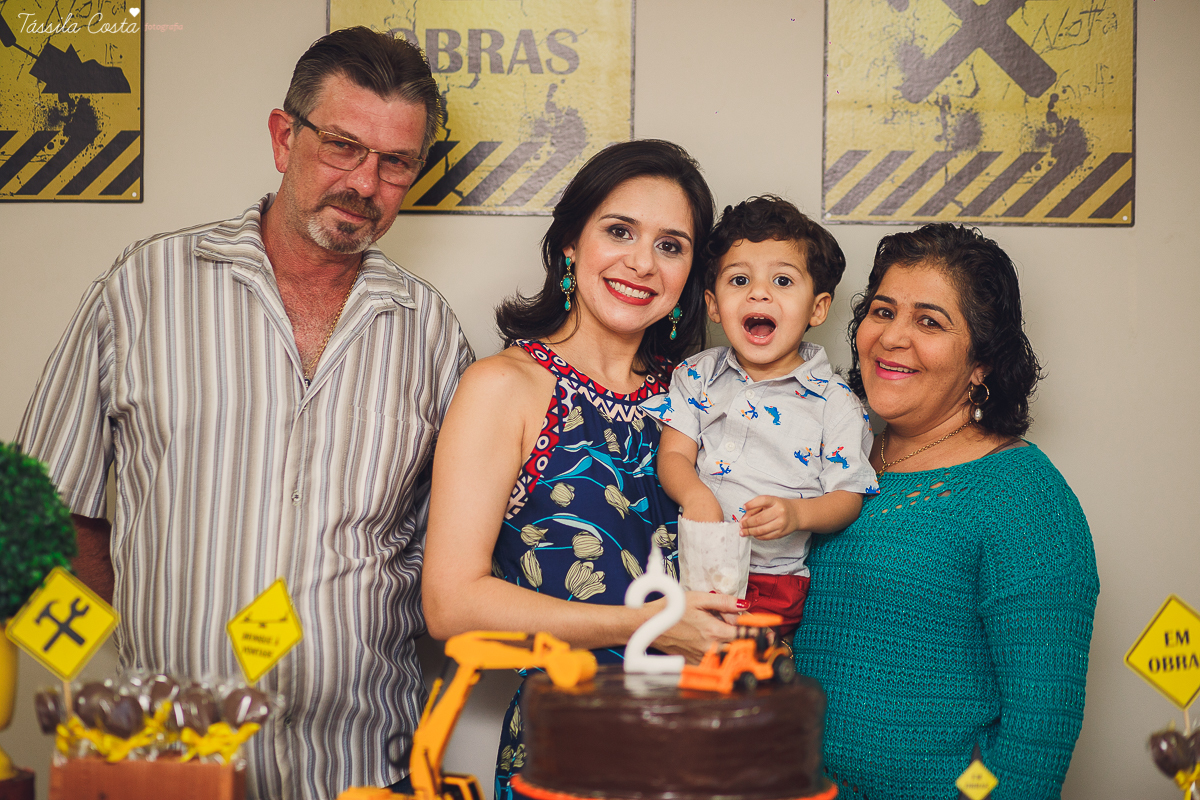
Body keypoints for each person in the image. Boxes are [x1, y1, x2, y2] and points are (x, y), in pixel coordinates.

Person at [15, 27, 472, 800]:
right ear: (283, 136)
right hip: (173, 762)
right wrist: (157, 641)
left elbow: (448, 554)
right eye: (342, 146)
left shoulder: (431, 331)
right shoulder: (144, 287)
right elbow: (47, 502)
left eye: (395, 162)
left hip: (361, 766)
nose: (365, 182)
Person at [420, 140, 742, 800]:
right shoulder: (505, 387)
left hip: (715, 748)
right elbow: (450, 603)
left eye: (671, 245)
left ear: (691, 279)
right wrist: (647, 624)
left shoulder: (700, 396)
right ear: (570, 242)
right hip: (570, 756)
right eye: (619, 231)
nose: (641, 262)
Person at [792, 223, 1099, 799]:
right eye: (882, 311)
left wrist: (973, 795)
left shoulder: (1022, 496)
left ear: (982, 362)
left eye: (929, 321)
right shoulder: (828, 455)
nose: (892, 337)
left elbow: (1036, 743)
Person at [642, 196, 877, 636]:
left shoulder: (835, 401)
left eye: (783, 280)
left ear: (817, 308)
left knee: (752, 685)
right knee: (689, 679)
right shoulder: (697, 375)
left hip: (775, 580)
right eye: (739, 280)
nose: (759, 292)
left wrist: (797, 514)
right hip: (694, 563)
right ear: (714, 305)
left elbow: (847, 497)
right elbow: (674, 454)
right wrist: (696, 496)